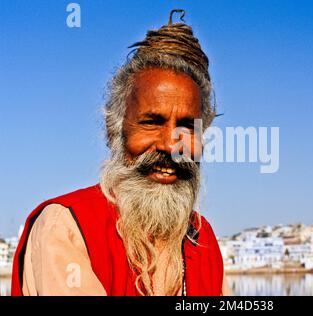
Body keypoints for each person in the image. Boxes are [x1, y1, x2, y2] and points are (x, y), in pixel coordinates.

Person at [11, 9, 231, 296]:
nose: (169, 145)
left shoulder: (203, 239)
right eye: (152, 122)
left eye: (187, 127)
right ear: (114, 129)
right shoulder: (65, 227)